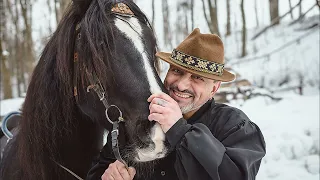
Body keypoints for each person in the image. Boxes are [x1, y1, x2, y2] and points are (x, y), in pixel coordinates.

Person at [87, 28, 266, 180]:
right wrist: (106, 175)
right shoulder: (138, 116)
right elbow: (97, 169)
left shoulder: (234, 126)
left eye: (197, 78)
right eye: (177, 71)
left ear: (214, 88)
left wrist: (179, 129)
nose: (181, 84)